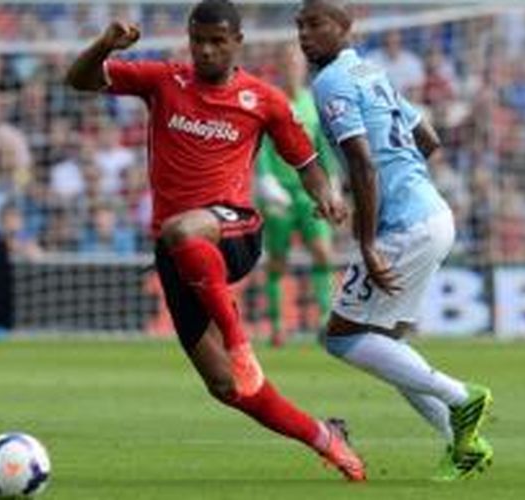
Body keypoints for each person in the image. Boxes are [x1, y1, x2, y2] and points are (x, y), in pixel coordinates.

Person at [65, 0, 365, 481]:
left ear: (237, 43)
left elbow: (306, 161)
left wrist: (326, 195)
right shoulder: (164, 81)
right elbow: (79, 81)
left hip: (235, 230)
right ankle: (326, 437)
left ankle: (240, 340)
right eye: (198, 41)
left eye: (217, 42)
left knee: (183, 228)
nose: (206, 51)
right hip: (179, 252)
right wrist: (104, 44)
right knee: (227, 387)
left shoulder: (262, 99)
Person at [295, 0, 493, 480]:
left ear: (345, 26)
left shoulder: (331, 83)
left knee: (341, 339)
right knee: (385, 343)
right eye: (299, 25)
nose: (304, 34)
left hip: (404, 225)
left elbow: (362, 163)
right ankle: (462, 444)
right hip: (433, 214)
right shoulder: (370, 72)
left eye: (316, 24)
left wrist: (366, 242)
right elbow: (426, 136)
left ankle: (462, 397)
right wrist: (399, 173)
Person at [256, 43, 339, 347]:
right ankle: (277, 325)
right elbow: (262, 145)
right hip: (278, 192)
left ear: (303, 68)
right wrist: (265, 179)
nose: (292, 67)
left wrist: (332, 187)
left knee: (322, 252)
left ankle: (326, 320)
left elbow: (322, 149)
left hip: (309, 190)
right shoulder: (271, 101)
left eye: (296, 62)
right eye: (287, 62)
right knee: (278, 260)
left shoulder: (313, 104)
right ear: (280, 67)